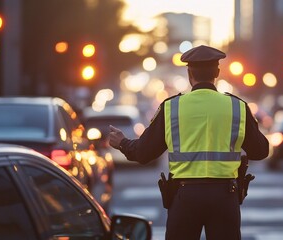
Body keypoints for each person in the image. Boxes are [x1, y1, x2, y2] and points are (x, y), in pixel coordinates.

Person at [109, 45, 269, 240]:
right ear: (217, 72)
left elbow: (144, 153)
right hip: (225, 196)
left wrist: (122, 143)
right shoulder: (238, 107)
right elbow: (261, 151)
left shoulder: (171, 108)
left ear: (189, 73)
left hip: (184, 198)